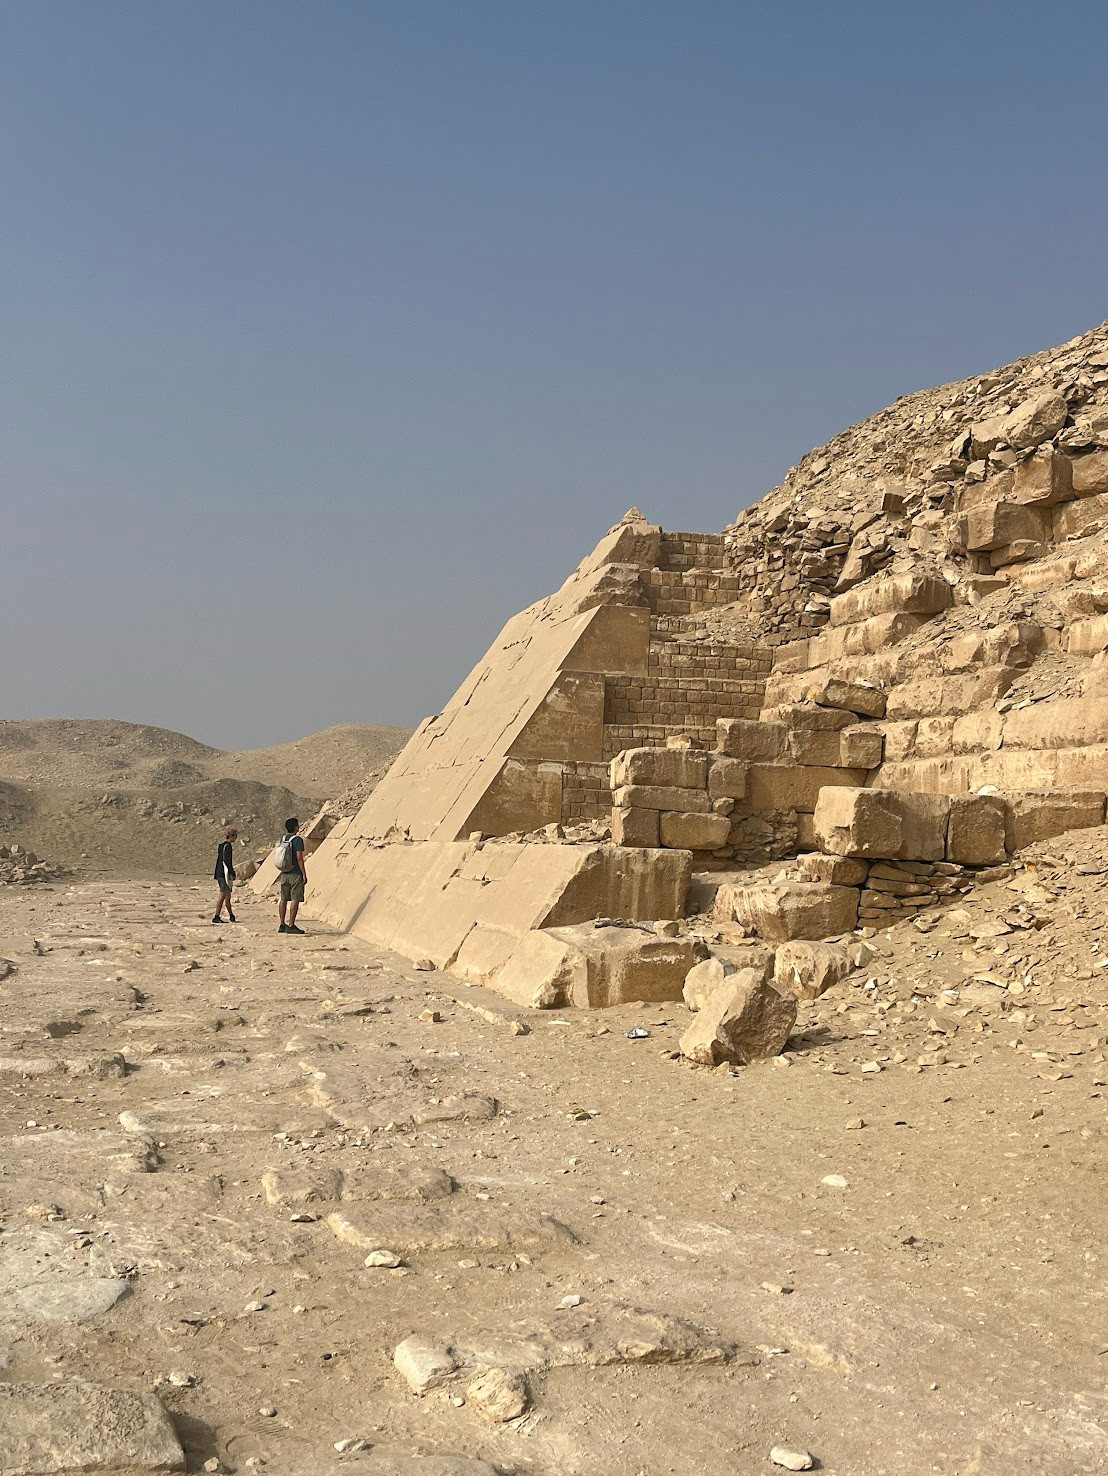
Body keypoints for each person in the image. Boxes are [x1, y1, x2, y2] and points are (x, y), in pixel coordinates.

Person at [277, 816, 307, 935]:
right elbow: (299, 858)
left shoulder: (283, 838)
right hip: (295, 873)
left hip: (284, 872)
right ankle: (291, 925)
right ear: (295, 827)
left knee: (283, 899)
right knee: (295, 899)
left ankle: (282, 924)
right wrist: (304, 873)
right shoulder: (297, 840)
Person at [212, 827, 237, 923]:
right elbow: (227, 862)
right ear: (231, 836)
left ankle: (231, 915)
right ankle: (216, 916)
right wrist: (232, 873)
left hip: (220, 872)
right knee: (223, 894)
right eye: (235, 835)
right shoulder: (227, 846)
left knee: (227, 895)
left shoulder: (222, 846)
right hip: (223, 874)